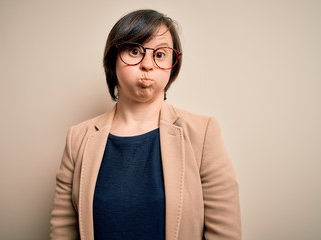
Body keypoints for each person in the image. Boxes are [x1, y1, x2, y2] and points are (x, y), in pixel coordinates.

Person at [50, 9, 241, 240]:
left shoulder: (203, 133)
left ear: (173, 64)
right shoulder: (78, 138)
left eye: (160, 54)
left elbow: (225, 233)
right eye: (134, 51)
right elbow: (63, 229)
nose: (148, 64)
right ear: (113, 59)